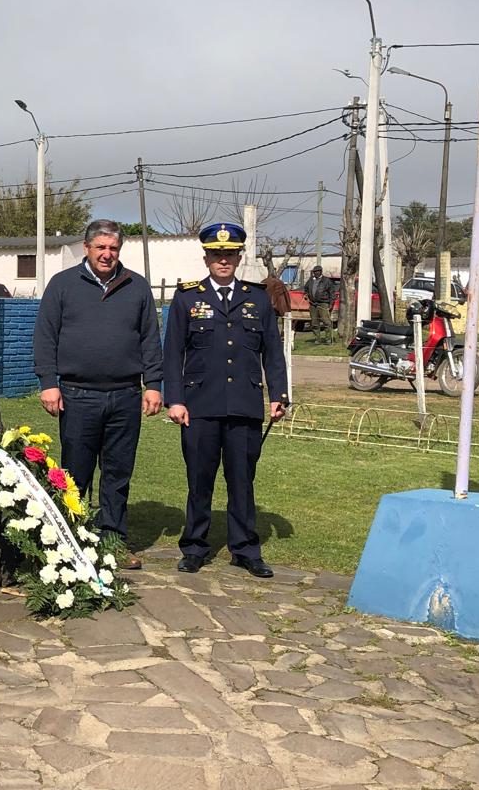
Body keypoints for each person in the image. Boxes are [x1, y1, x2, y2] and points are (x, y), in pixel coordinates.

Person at [32, 220, 164, 565]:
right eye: (100, 247)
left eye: (113, 248)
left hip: (125, 395)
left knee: (118, 473)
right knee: (75, 473)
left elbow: (150, 339)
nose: (107, 254)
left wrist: (153, 385)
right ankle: (70, 543)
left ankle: (113, 542)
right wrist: (49, 383)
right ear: (87, 249)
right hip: (77, 395)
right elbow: (45, 336)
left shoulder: (136, 286)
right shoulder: (62, 285)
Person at [163, 222, 289, 579]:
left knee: (242, 481)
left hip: (244, 405)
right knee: (199, 480)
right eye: (217, 255)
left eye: (229, 254)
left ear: (238, 257)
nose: (223, 260)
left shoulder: (258, 298)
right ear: (206, 258)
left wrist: (278, 395)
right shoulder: (187, 298)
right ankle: (194, 548)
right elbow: (172, 353)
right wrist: (175, 399)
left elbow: (273, 353)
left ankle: (245, 549)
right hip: (199, 405)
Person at [305, 265, 337, 344]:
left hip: (323, 303)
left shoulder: (326, 281)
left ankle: (328, 339)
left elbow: (332, 293)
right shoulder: (310, 280)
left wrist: (331, 304)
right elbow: (305, 288)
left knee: (326, 322)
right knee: (314, 322)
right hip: (312, 304)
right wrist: (306, 294)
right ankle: (317, 339)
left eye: (317, 271)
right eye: (314, 272)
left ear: (321, 271)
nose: (316, 273)